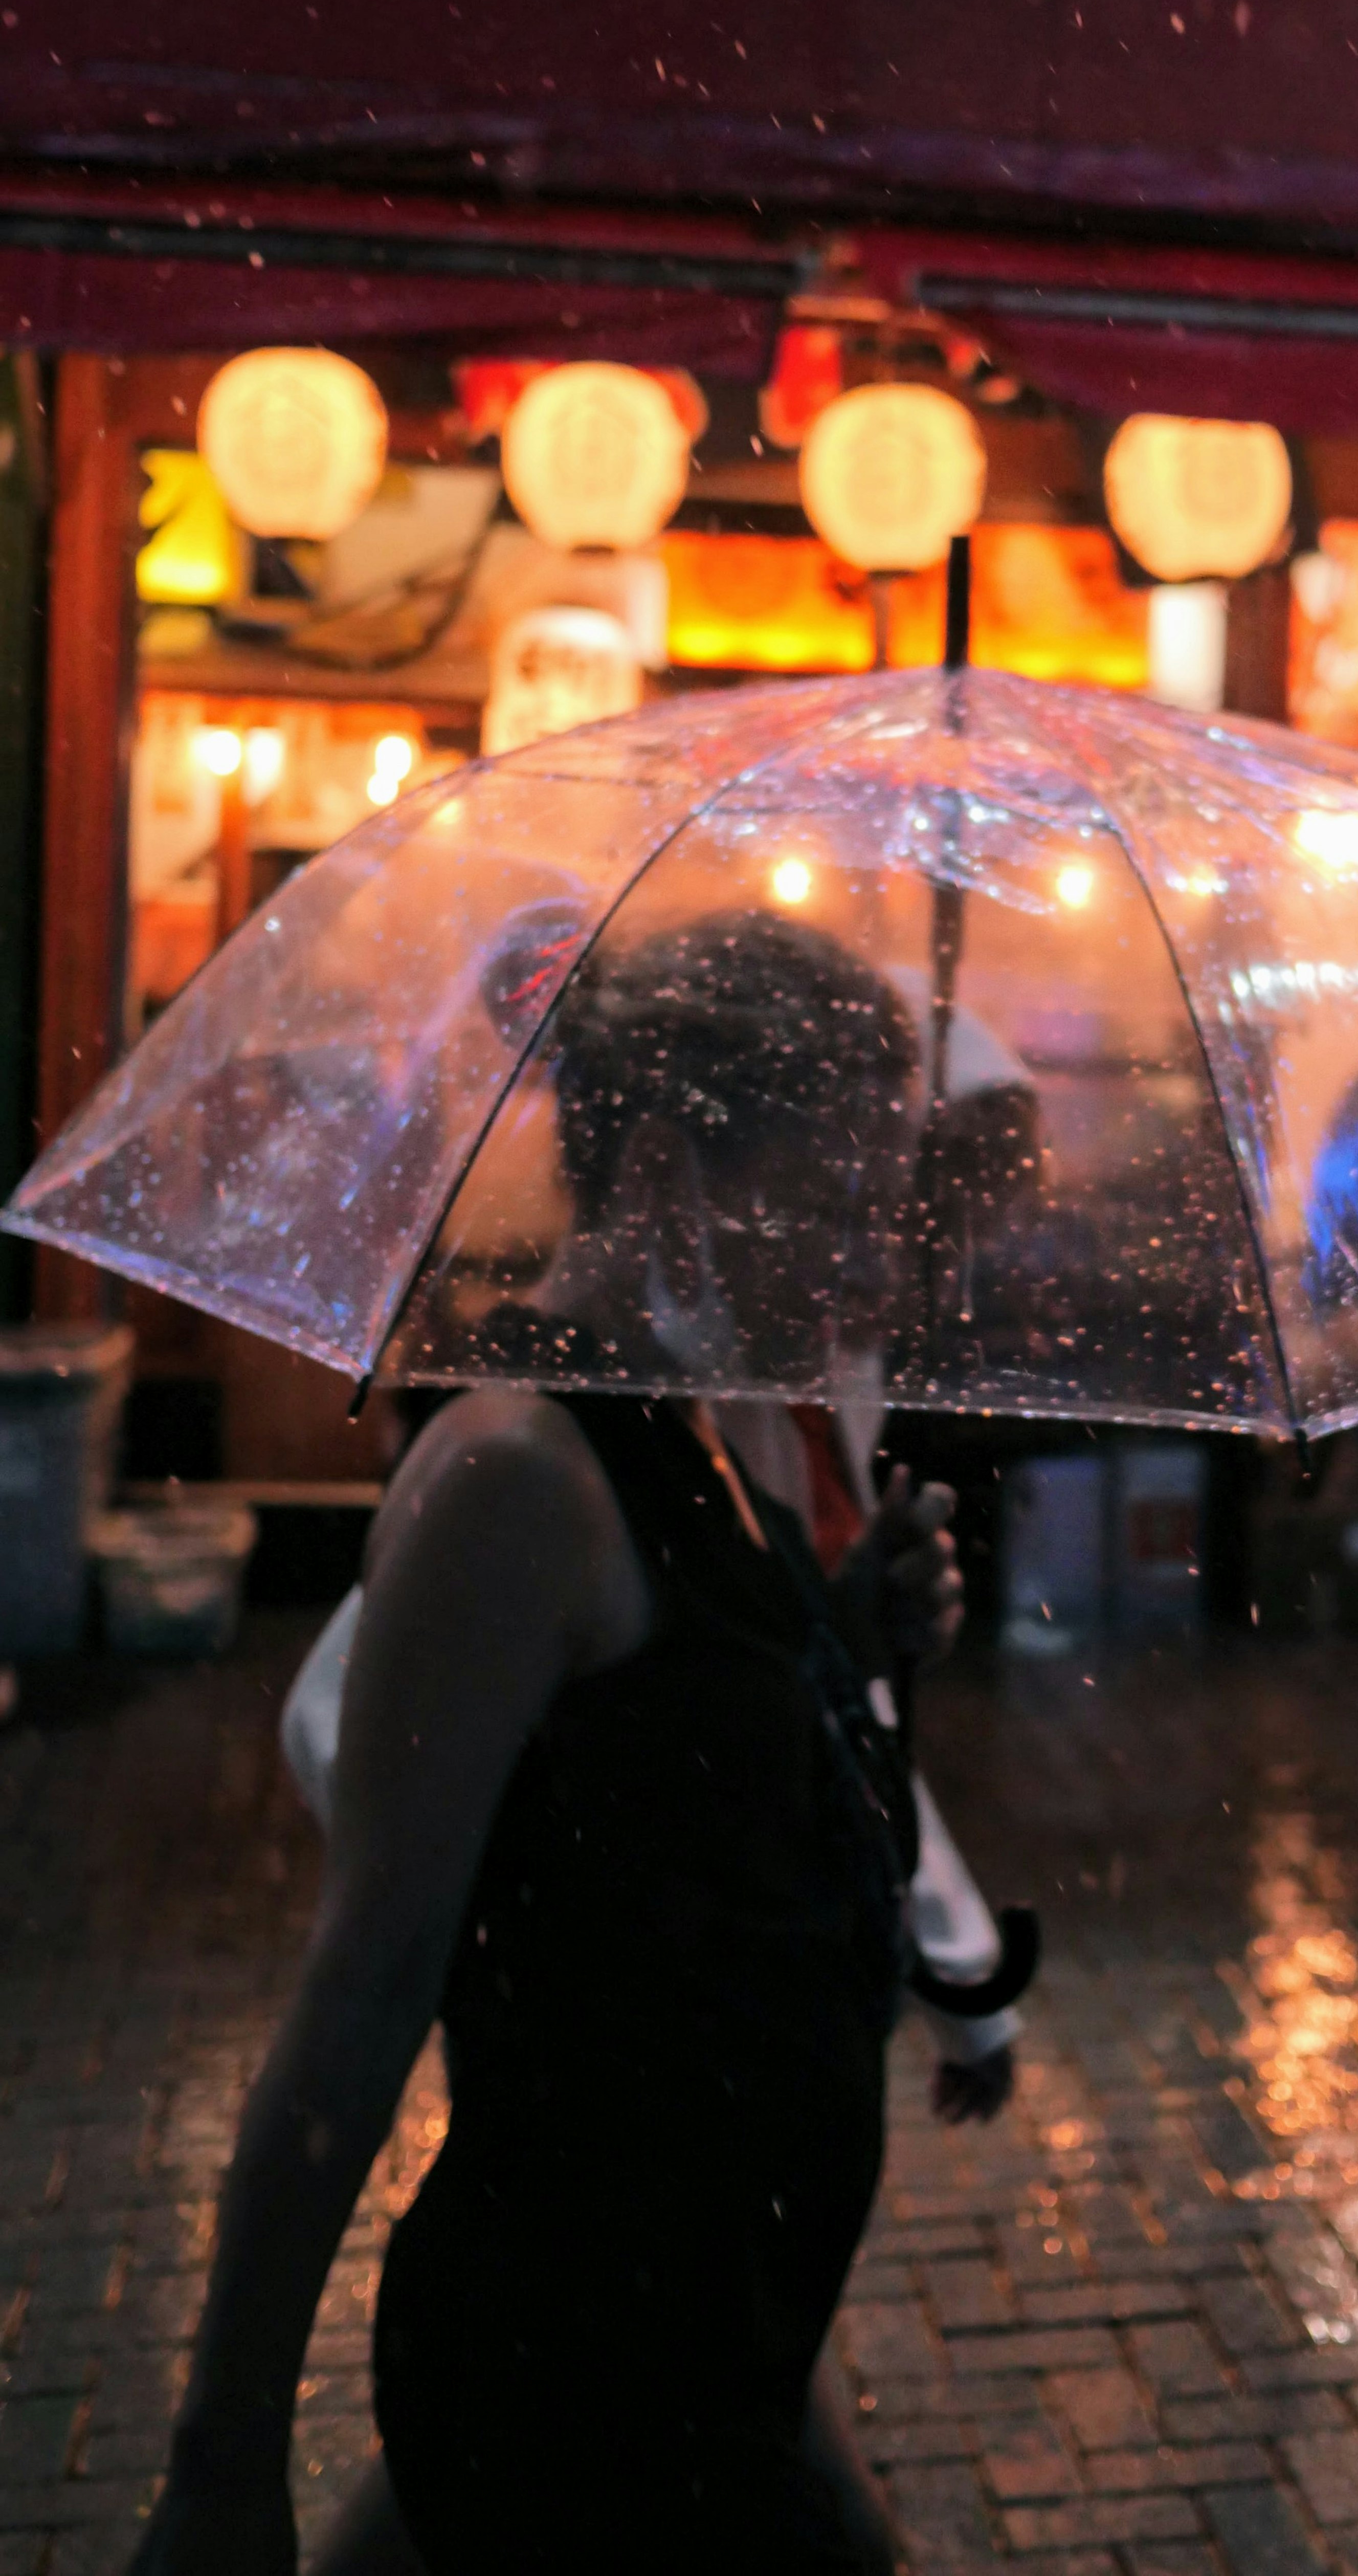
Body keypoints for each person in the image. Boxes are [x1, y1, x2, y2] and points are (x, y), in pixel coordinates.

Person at [130, 909, 970, 2576]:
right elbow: (363, 1996)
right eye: (832, 1205)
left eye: (887, 1212)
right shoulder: (519, 1480)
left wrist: (845, 1641)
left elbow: (691, 1802)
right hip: (583, 2374)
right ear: (663, 1167)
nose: (873, 1267)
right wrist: (224, 2468)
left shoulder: (712, 1433)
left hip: (715, 2331)